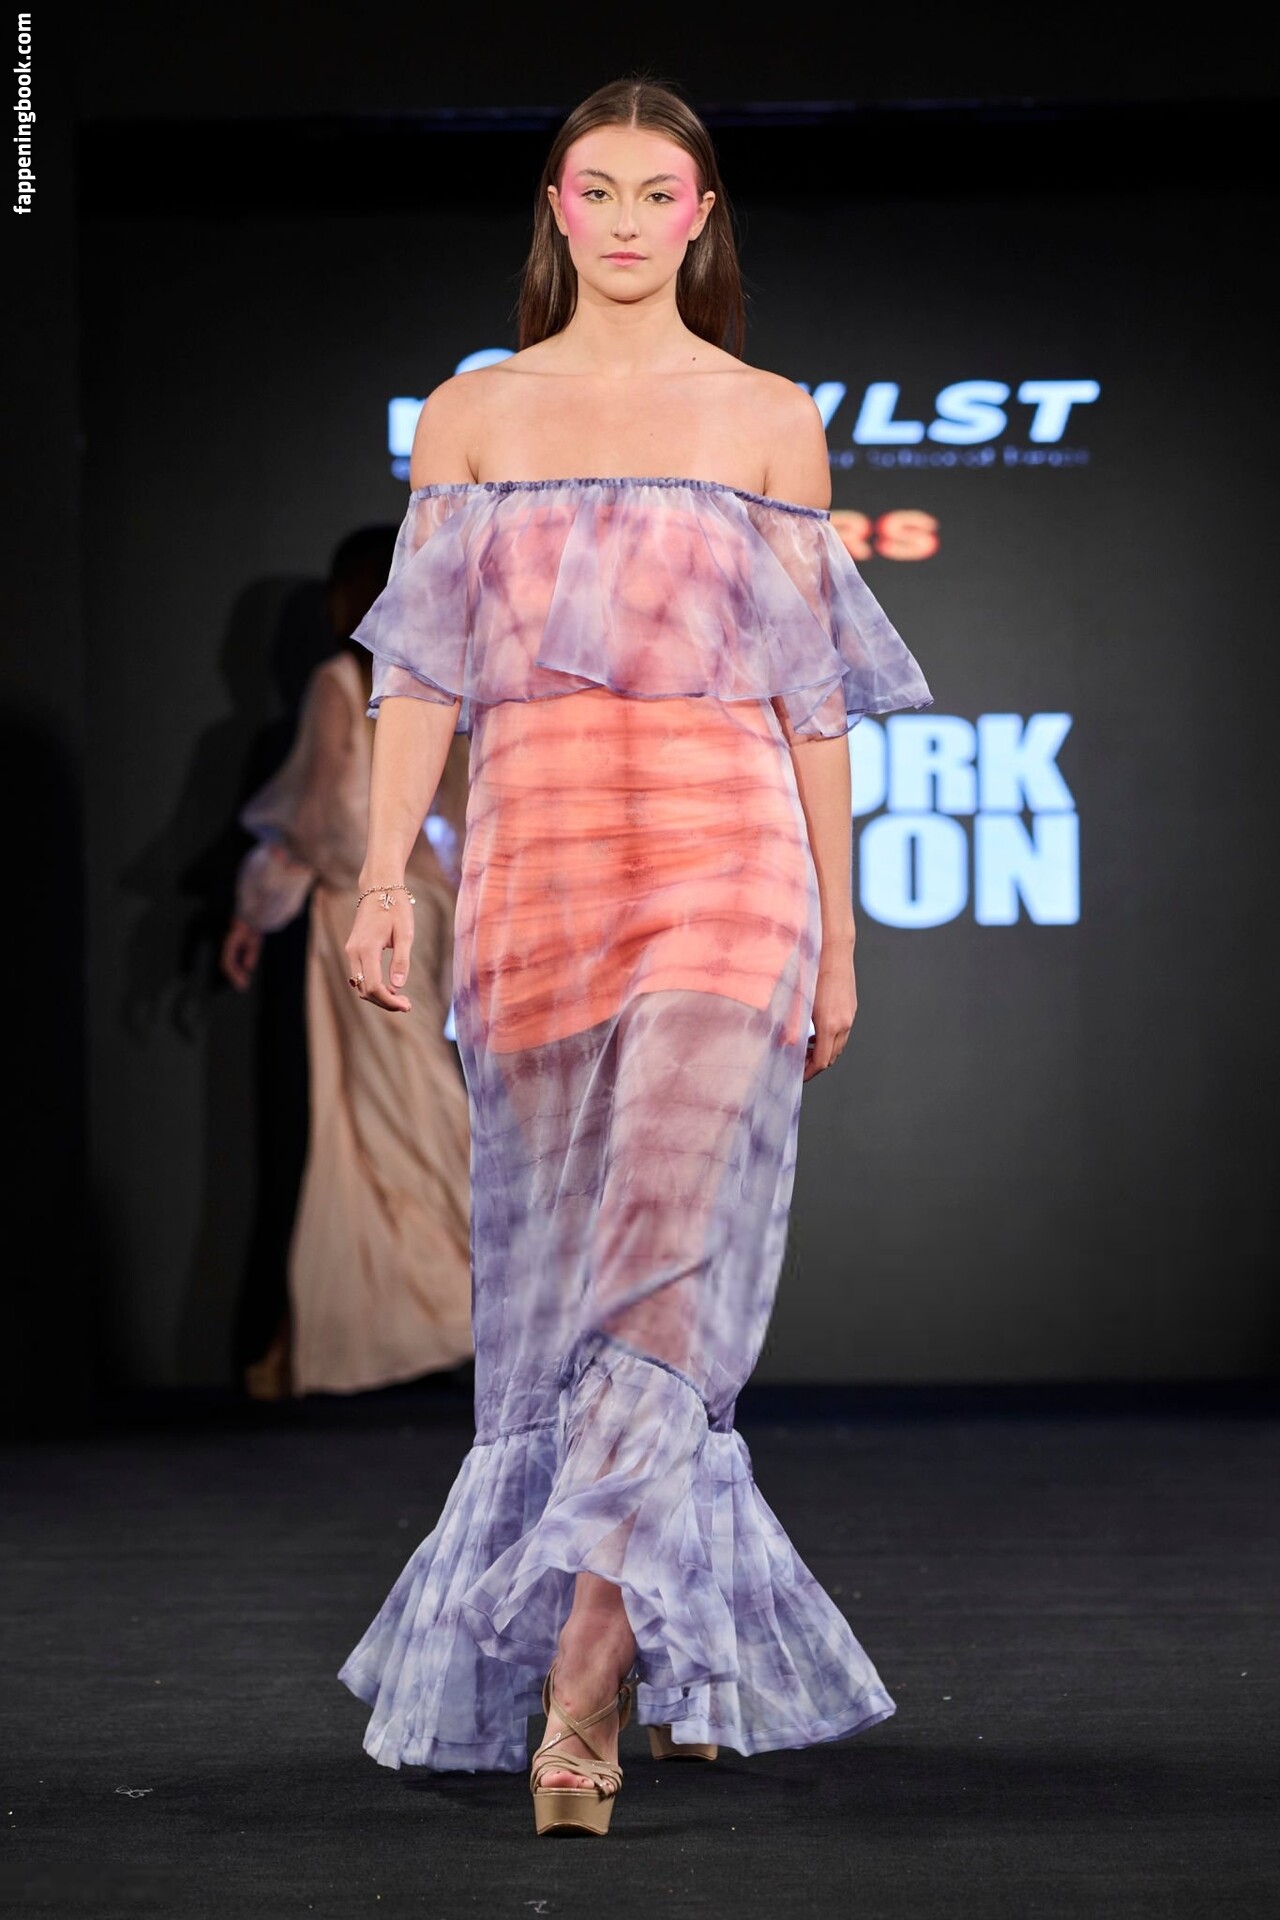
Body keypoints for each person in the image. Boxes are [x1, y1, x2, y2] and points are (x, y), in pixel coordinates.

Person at [338, 76, 933, 1836]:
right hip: (535, 881)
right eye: (591, 188)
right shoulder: (474, 415)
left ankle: (588, 1679)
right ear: (555, 208)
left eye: (652, 191)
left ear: (699, 215)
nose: (619, 219)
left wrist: (840, 931)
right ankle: (684, 1648)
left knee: (667, 1264)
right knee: (555, 1295)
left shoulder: (768, 419)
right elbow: (419, 680)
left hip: (727, 870)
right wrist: (383, 879)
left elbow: (810, 702)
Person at [220, 526, 473, 1399]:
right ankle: (415, 1315)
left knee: (398, 1110)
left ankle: (482, 1295)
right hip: (427, 911)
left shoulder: (343, 681)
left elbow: (328, 820)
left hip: (368, 909)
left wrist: (261, 900)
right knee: (384, 1114)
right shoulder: (435, 678)